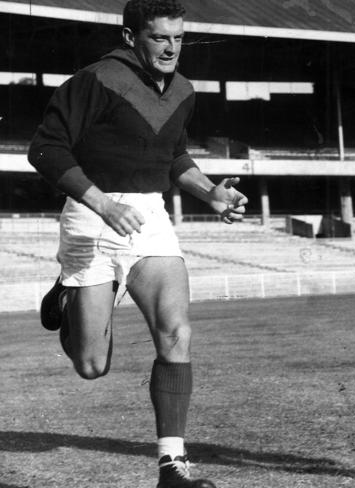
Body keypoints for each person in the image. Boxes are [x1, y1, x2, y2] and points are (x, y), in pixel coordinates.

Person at [28, 1, 248, 486]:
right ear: (131, 38)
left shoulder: (184, 90)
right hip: (91, 215)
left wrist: (210, 192)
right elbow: (44, 149)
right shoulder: (97, 79)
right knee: (91, 365)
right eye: (159, 38)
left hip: (150, 217)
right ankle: (66, 298)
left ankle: (172, 465)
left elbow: (173, 155)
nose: (171, 48)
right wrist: (104, 205)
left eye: (178, 38)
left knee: (177, 333)